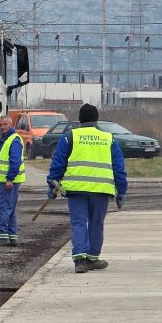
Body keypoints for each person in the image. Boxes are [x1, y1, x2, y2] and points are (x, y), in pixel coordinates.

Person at [47, 103, 128, 273]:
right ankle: (92, 258)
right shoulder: (108, 138)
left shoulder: (70, 136)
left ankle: (79, 261)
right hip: (101, 190)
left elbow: (58, 162)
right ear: (97, 119)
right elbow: (119, 167)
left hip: (76, 190)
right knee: (96, 223)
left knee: (78, 223)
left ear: (80, 119)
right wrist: (121, 191)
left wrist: (52, 184)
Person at [0, 115, 25, 246]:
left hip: (9, 182)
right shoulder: (8, 139)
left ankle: (2, 237)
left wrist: (10, 179)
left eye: (5, 124)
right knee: (10, 209)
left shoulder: (14, 140)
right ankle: (12, 237)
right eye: (0, 125)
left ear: (11, 125)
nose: (2, 127)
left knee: (3, 208)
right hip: (8, 181)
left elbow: (15, 162)